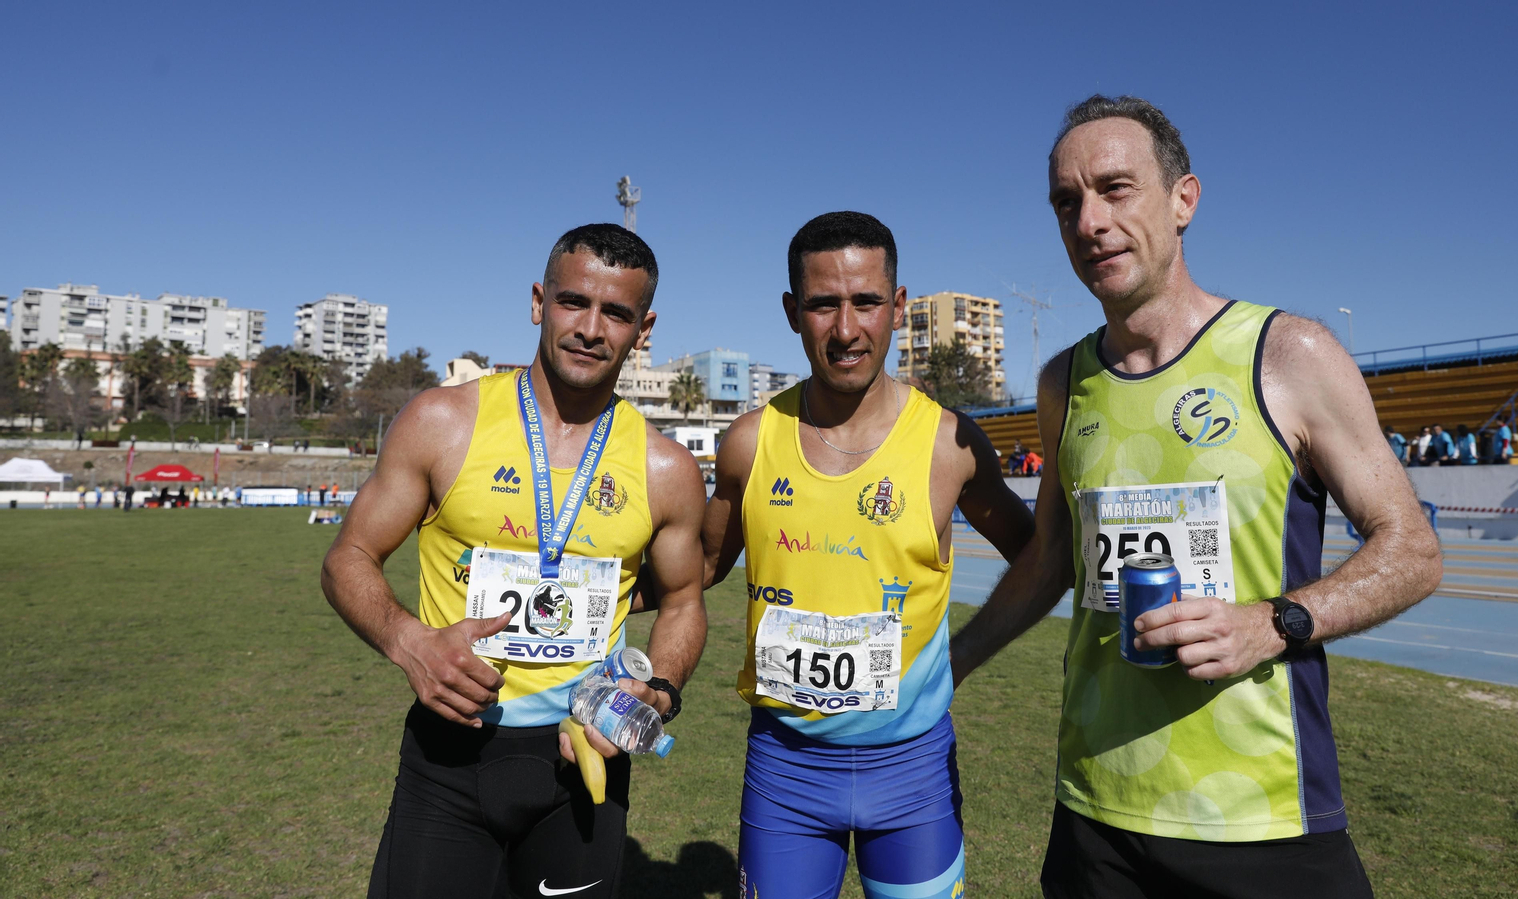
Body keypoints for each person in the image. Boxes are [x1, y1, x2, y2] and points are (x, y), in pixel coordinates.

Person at [946, 95, 1442, 899]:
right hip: (1095, 811)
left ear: (1184, 200)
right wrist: (954, 662)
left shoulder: (1290, 354)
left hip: (1261, 815)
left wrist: (1271, 622)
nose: (1090, 220)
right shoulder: (1062, 382)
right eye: (1067, 202)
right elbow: (1051, 559)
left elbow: (1412, 550)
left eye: (1115, 188)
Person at [321, 224, 709, 898]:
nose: (591, 328)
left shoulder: (665, 467)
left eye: (616, 312)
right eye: (572, 302)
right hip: (451, 756)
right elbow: (347, 555)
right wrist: (407, 640)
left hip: (582, 758)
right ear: (538, 301)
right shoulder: (443, 422)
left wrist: (661, 688)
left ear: (643, 329)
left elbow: (683, 601)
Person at [700, 212, 1035, 899]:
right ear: (794, 312)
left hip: (913, 774)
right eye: (824, 303)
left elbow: (1038, 556)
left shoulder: (951, 445)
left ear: (899, 307)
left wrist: (965, 653)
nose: (847, 328)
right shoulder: (749, 443)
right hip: (785, 770)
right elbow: (697, 571)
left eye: (867, 302)